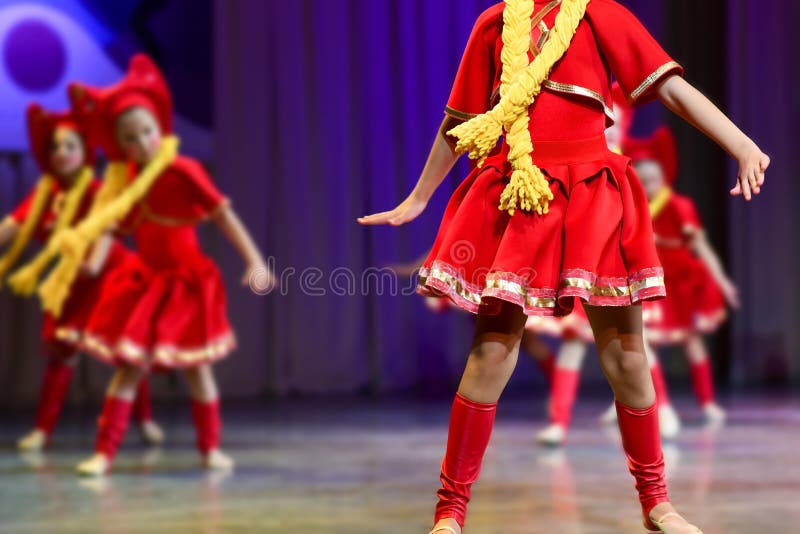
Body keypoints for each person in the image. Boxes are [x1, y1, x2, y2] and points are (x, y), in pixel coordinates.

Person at [358, 1, 768, 532]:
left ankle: (657, 503)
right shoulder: (494, 23)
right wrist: (418, 198)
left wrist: (741, 143)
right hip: (519, 192)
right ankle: (450, 510)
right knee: (489, 355)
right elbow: (459, 122)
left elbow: (668, 87)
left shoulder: (601, 14)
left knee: (626, 358)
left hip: (592, 193)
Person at [32, 54, 275, 476]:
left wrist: (255, 261)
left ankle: (210, 448)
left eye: (147, 132)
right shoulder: (126, 184)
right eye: (130, 138)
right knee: (129, 367)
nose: (142, 143)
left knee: (198, 370)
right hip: (146, 284)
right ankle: (103, 453)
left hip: (188, 285)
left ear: (159, 128)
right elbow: (113, 228)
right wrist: (94, 261)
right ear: (119, 144)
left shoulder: (184, 170)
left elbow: (224, 215)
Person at [0, 103, 163, 452]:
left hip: (109, 276)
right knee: (61, 356)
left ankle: (144, 420)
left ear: (85, 152)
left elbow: (109, 227)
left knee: (126, 354)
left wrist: (95, 263)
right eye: (55, 147)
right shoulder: (45, 193)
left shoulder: (97, 189)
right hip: (68, 284)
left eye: (70, 146)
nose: (61, 153)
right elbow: (14, 226)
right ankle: (42, 431)